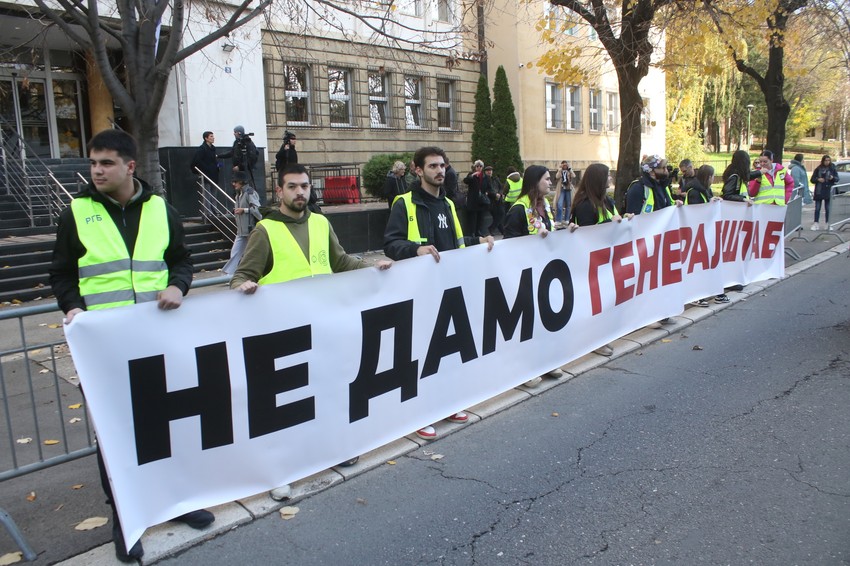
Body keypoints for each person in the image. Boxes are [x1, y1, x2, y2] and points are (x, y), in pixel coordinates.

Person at [48, 130, 213, 563]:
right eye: (93, 162)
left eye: (106, 163)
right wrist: (71, 307)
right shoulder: (77, 212)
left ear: (130, 166)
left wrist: (179, 286)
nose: (97, 170)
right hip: (103, 348)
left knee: (170, 425)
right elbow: (62, 274)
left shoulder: (162, 209)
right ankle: (126, 519)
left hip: (157, 343)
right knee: (116, 437)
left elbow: (181, 260)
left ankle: (177, 501)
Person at [232, 164, 392, 499]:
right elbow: (242, 275)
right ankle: (282, 472)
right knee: (287, 405)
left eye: (305, 186)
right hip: (283, 334)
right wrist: (243, 285)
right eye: (292, 186)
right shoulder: (266, 230)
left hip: (322, 328)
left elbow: (340, 262)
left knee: (329, 392)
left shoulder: (321, 222)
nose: (300, 192)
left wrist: (371, 268)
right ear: (279, 192)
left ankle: (335, 449)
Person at [383, 146, 494, 440]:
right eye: (432, 166)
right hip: (418, 291)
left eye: (442, 166)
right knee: (420, 353)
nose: (440, 171)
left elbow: (455, 242)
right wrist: (415, 249)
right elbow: (391, 244)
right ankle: (420, 412)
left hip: (448, 289)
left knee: (446, 351)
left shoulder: (447, 204)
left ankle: (447, 403)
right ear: (417, 170)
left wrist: (478, 240)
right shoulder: (403, 203)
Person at [503, 165, 563, 385]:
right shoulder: (519, 210)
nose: (550, 182)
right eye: (546, 179)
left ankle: (546, 361)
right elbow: (508, 245)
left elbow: (551, 232)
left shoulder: (545, 206)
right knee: (526, 324)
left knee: (544, 320)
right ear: (535, 181)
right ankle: (524, 369)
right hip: (524, 276)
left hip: (544, 274)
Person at [567, 163, 633, 355]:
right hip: (593, 264)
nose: (611, 179)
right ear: (599, 180)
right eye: (607, 177)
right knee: (594, 303)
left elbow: (615, 221)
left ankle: (603, 335)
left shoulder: (607, 201)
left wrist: (626, 220)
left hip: (608, 261)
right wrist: (609, 224)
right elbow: (589, 235)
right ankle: (595, 340)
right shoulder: (585, 205)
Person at [685, 165, 728, 305]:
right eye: (712, 176)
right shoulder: (694, 192)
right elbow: (695, 213)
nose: (713, 179)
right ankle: (697, 295)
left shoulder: (704, 190)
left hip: (705, 234)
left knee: (711, 264)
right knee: (699, 267)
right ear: (708, 177)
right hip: (695, 235)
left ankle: (716, 293)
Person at [222, 171, 261, 275]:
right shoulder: (239, 195)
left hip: (250, 229)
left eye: (235, 181)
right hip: (241, 231)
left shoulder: (249, 192)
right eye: (233, 181)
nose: (233, 184)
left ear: (242, 182)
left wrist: (244, 210)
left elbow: (258, 209)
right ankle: (231, 274)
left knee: (252, 253)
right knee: (235, 252)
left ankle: (234, 274)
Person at [190, 131, 221, 217]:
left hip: (214, 174)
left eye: (213, 136)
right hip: (207, 174)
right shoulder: (202, 149)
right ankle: (208, 212)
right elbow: (197, 161)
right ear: (206, 138)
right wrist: (207, 168)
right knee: (207, 193)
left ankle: (214, 210)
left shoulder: (213, 148)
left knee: (214, 193)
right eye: (211, 136)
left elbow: (213, 160)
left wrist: (217, 166)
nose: (213, 138)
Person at [463, 159, 496, 237]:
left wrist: (488, 193)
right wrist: (472, 175)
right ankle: (472, 233)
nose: (479, 168)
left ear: (482, 167)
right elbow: (465, 181)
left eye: (480, 166)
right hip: (473, 200)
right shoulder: (471, 175)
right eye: (477, 166)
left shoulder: (485, 177)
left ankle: (478, 232)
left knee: (480, 218)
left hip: (481, 201)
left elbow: (490, 188)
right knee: (473, 218)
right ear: (475, 167)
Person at [810, 155, 839, 230]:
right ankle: (816, 223)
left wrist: (832, 178)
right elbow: (812, 179)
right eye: (826, 160)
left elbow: (837, 178)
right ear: (823, 161)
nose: (827, 162)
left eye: (828, 160)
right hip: (819, 191)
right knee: (817, 208)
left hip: (828, 190)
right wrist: (818, 179)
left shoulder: (832, 169)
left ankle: (827, 223)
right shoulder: (818, 169)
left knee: (828, 208)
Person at [552, 160, 575, 227]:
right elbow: (557, 177)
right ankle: (558, 220)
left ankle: (567, 219)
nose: (565, 166)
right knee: (559, 204)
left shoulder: (569, 171)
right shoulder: (560, 171)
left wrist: (570, 169)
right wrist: (560, 169)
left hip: (568, 189)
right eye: (563, 165)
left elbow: (573, 176)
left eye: (566, 165)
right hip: (561, 189)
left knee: (568, 205)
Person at [485, 165, 505, 235]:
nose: (489, 172)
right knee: (496, 216)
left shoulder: (495, 178)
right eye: (488, 171)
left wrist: (499, 193)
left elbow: (501, 187)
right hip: (491, 201)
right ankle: (495, 229)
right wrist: (494, 194)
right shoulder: (485, 179)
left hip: (498, 200)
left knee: (501, 214)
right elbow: (487, 190)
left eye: (490, 171)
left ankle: (495, 229)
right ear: (485, 172)